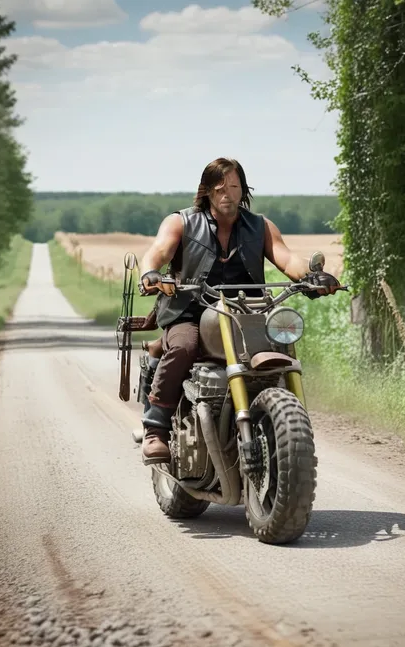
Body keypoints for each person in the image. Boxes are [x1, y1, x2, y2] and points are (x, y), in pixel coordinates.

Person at [138, 157, 339, 464]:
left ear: (243, 189)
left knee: (280, 347)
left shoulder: (260, 226)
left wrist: (312, 277)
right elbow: (158, 251)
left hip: (246, 314)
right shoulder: (181, 222)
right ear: (206, 191)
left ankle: (282, 427)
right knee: (184, 346)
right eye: (220, 187)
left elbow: (287, 259)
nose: (227, 194)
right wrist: (150, 273)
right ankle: (156, 428)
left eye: (234, 186)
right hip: (190, 309)